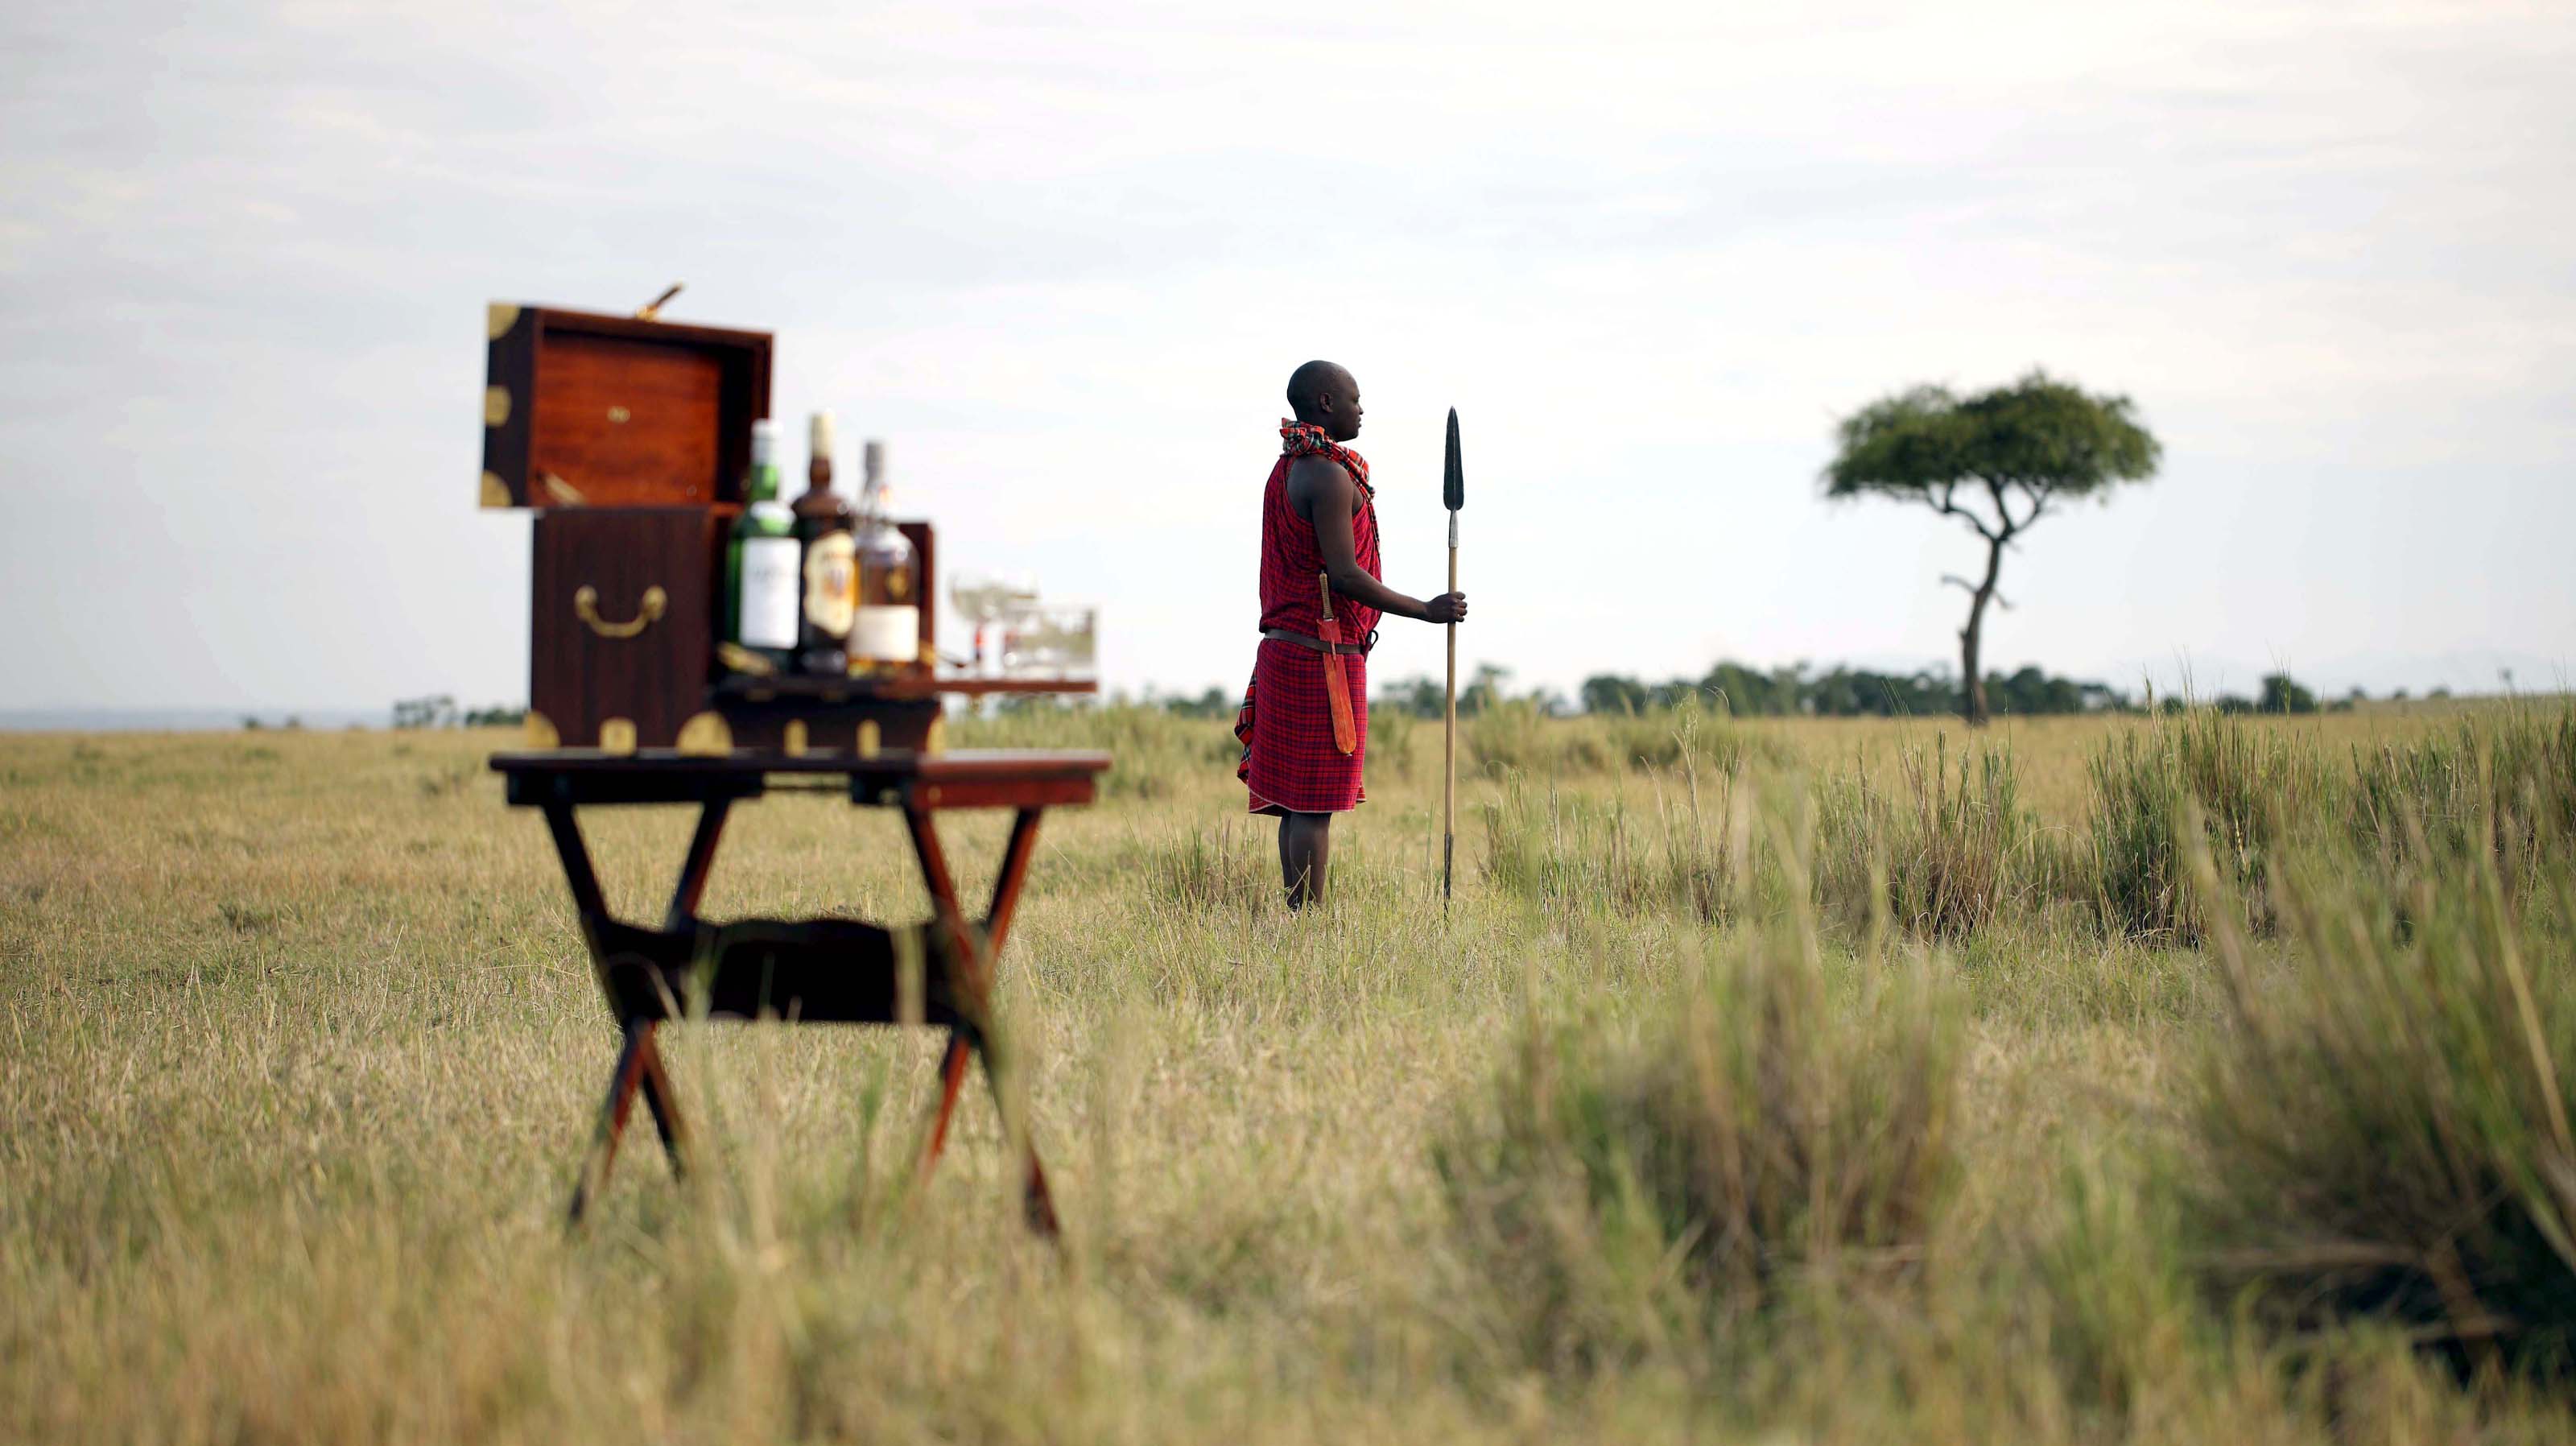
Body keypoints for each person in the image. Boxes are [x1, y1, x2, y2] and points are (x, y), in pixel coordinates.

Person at [1234, 360, 1468, 909]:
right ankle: (1309, 927)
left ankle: (1299, 923)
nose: (1361, 410)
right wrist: (1427, 610)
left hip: (1288, 652)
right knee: (1312, 805)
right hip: (1321, 658)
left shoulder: (1288, 469)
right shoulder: (1326, 476)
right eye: (1354, 399)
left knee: (1296, 804)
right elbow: (1344, 575)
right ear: (1325, 403)